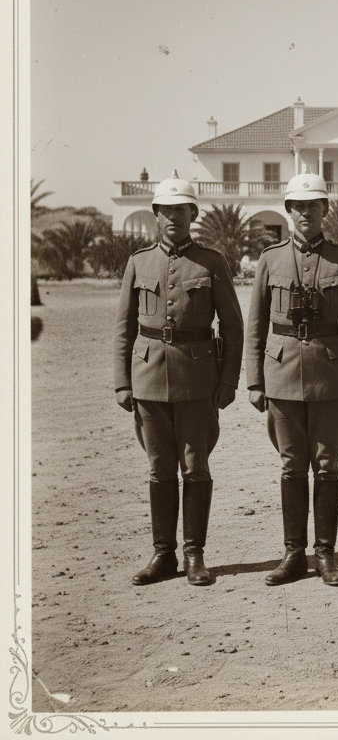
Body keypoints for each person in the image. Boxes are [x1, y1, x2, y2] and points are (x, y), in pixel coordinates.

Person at [113, 173, 243, 586]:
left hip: (197, 378)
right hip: (148, 377)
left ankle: (194, 555)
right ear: (156, 215)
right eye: (166, 210)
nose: (174, 218)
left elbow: (234, 328)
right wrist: (122, 382)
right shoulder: (139, 261)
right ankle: (162, 555)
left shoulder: (211, 262)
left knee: (195, 466)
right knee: (159, 469)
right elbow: (123, 327)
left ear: (193, 214)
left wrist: (227, 382)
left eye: (181, 210)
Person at [245, 171, 338, 587]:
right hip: (280, 372)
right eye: (298, 206)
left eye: (313, 206)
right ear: (288, 210)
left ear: (325, 211)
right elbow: (256, 325)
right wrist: (254, 381)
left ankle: (325, 554)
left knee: (327, 464)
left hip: (331, 373)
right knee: (290, 465)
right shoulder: (270, 259)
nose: (305, 213)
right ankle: (292, 554)